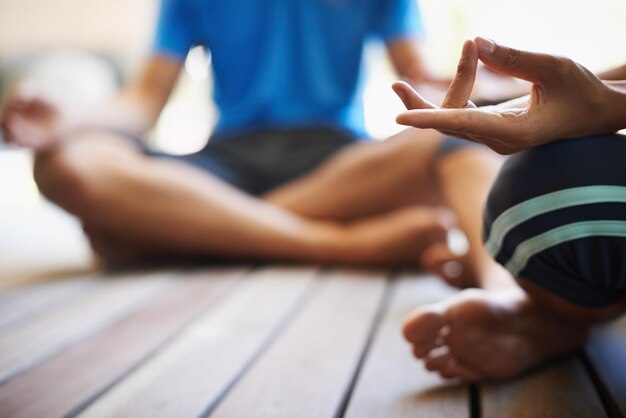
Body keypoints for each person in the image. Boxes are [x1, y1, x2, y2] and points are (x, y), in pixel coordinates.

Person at [0, 0, 500, 272]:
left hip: (338, 165)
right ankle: (340, 244)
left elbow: (421, 77)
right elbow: (144, 102)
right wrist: (68, 119)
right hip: (224, 164)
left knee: (461, 141)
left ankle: (184, 233)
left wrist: (503, 84)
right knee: (64, 162)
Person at [396, 37, 626, 381]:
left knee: (548, 194)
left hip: (540, 217)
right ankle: (541, 313)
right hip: (567, 210)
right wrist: (597, 97)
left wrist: (604, 100)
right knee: (562, 186)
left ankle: (524, 298)